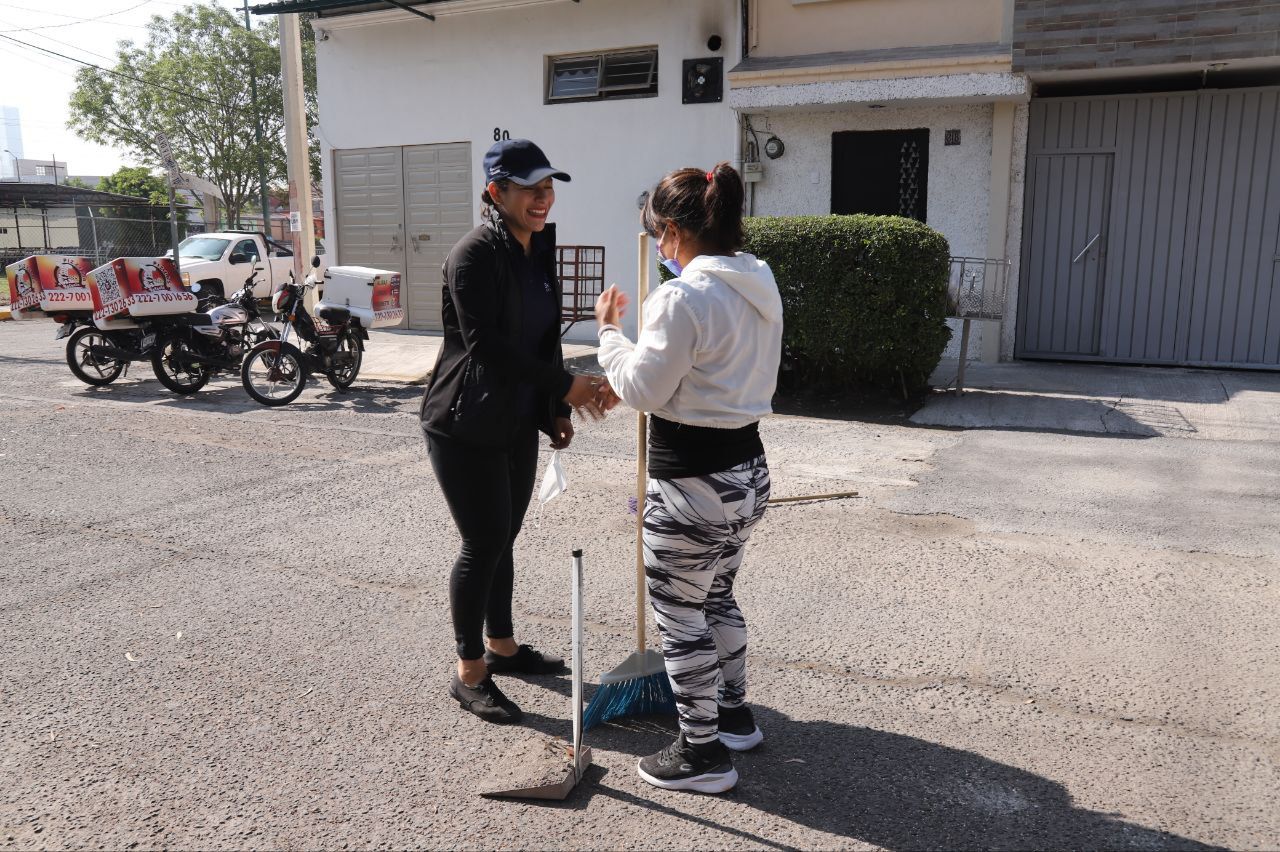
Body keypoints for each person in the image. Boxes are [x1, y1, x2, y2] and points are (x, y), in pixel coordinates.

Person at [594, 163, 783, 793]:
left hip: (692, 486)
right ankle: (733, 715)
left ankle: (702, 754)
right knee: (717, 595)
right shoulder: (761, 284)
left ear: (673, 230)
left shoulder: (681, 297)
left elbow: (642, 389)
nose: (655, 247)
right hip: (747, 476)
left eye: (654, 235)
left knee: (679, 615)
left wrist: (608, 336)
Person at [420, 138, 611, 724]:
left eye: (547, 188)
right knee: (482, 543)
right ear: (496, 191)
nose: (542, 198)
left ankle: (501, 645)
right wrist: (568, 385)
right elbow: (487, 348)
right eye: (530, 188)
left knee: (505, 536)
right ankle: (469, 669)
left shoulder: (536, 249)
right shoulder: (474, 254)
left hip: (513, 420)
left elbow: (542, 338)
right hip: (464, 420)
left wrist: (554, 406)